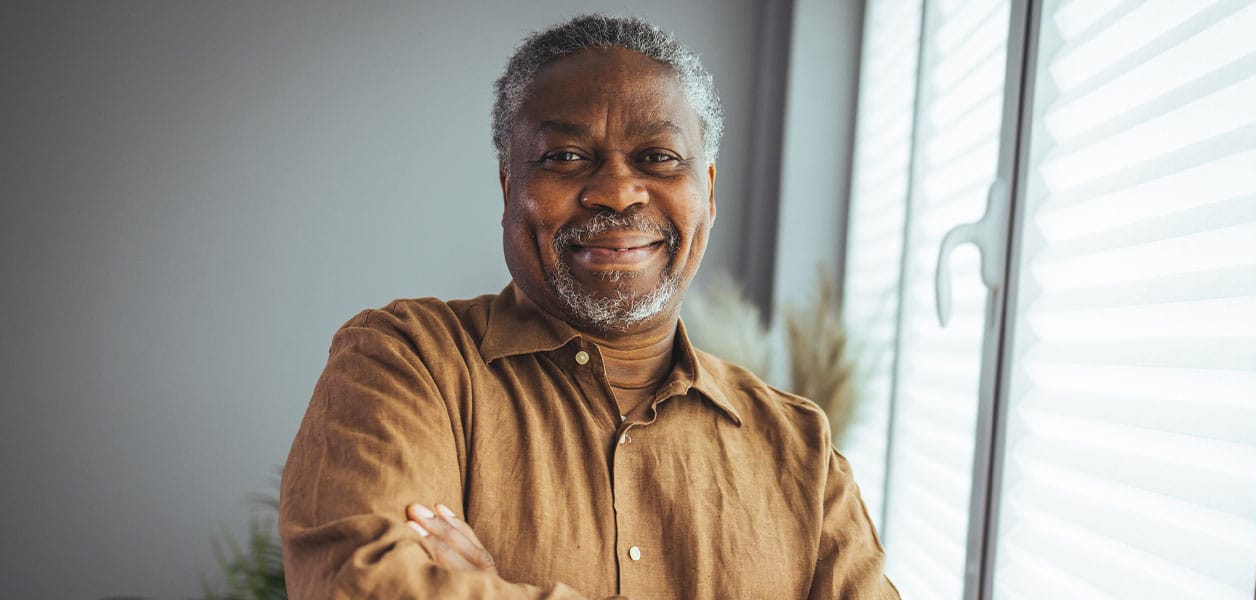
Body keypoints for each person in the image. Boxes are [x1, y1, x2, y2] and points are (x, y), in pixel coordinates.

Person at [279, 14, 898, 599]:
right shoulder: (408, 360)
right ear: (508, 188)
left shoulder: (803, 452)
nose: (616, 192)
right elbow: (360, 587)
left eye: (658, 157)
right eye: (566, 158)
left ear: (706, 192)